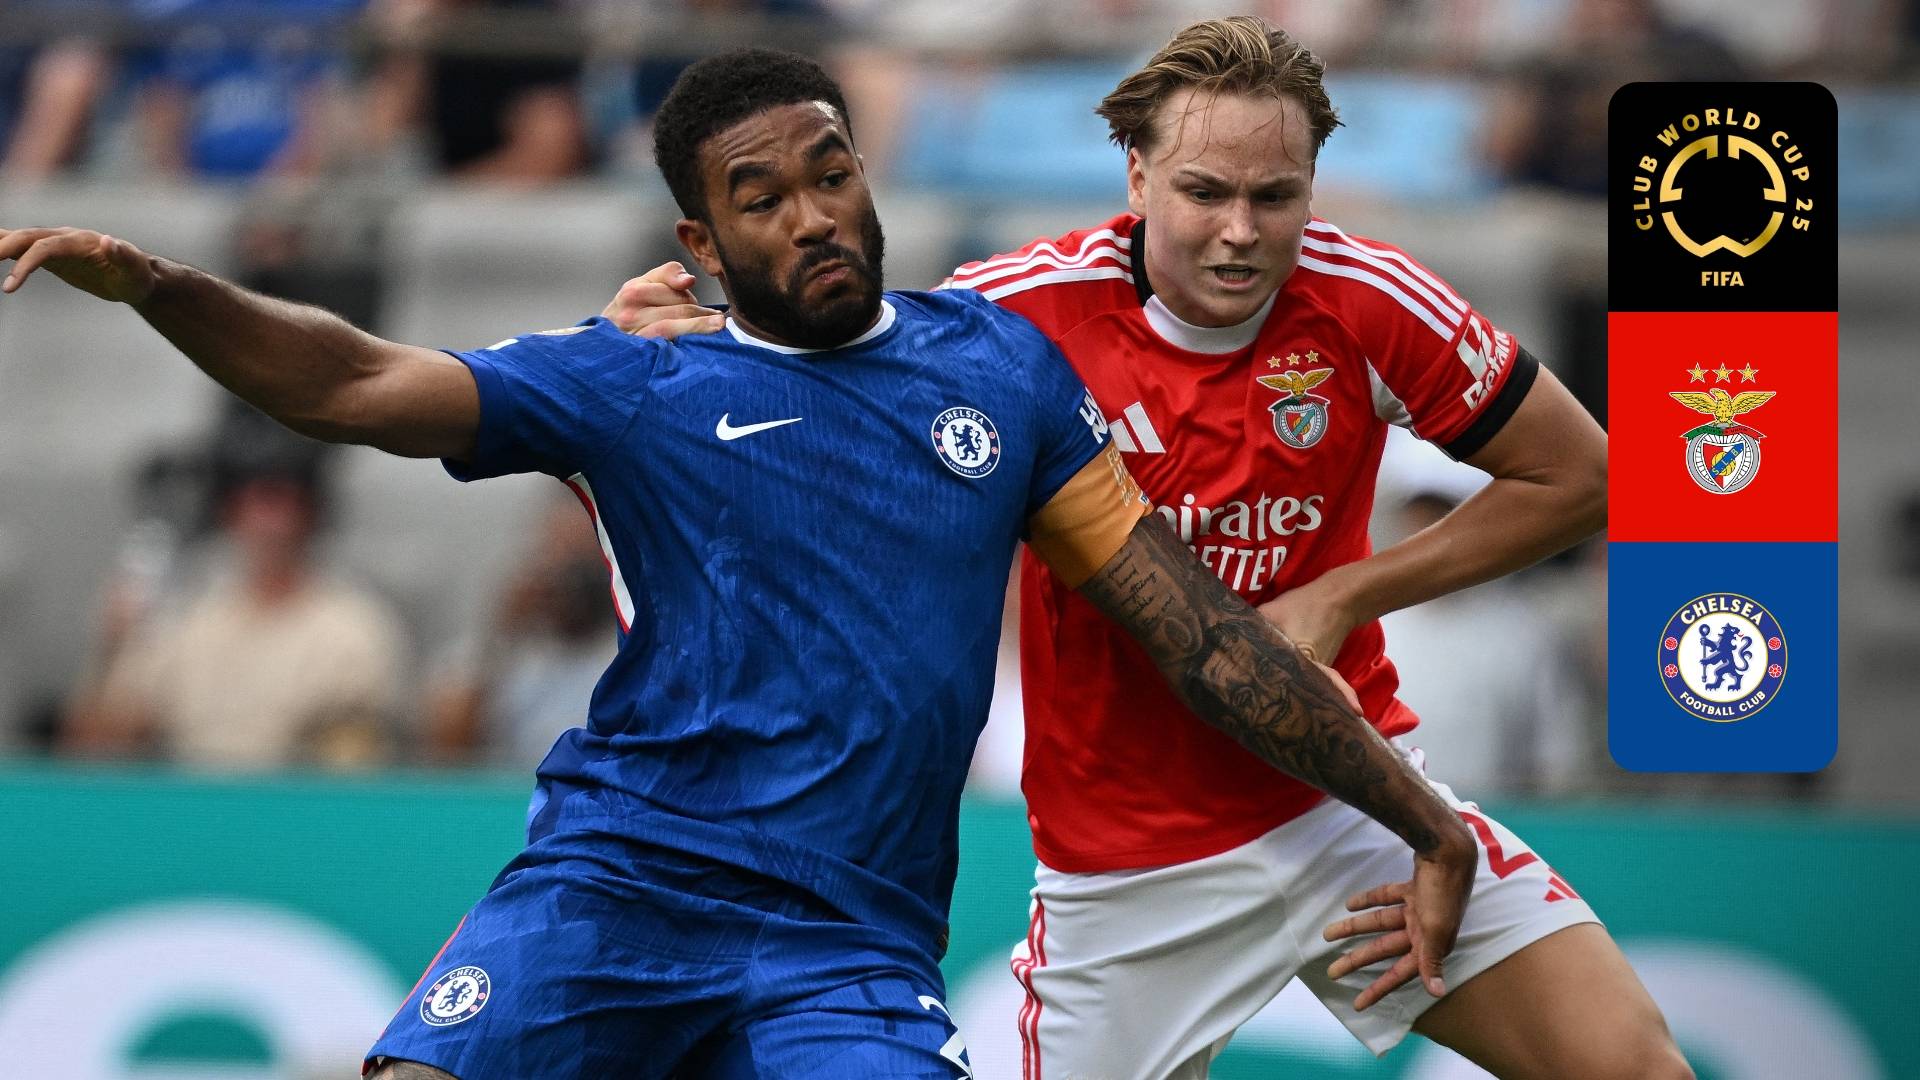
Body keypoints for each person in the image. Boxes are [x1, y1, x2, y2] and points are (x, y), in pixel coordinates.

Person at [0, 47, 1477, 1080]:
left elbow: (1205, 638)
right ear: (701, 238)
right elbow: (352, 383)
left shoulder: (999, 372)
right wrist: (160, 283)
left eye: (832, 174)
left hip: (849, 941)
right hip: (615, 888)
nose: (814, 216)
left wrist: (1426, 822)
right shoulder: (630, 378)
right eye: (763, 199)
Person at [606, 19, 1692, 1080]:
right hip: (1125, 876)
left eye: (1276, 197)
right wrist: (687, 346)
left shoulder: (1367, 299)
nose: (1241, 230)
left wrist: (1345, 596)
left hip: (1351, 812)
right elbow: (818, 376)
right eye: (1204, 192)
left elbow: (1586, 476)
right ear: (1136, 175)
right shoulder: (1015, 319)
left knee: (1633, 1065)